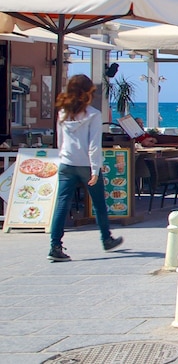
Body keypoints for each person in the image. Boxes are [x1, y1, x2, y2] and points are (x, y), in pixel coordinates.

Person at [48, 74, 123, 262]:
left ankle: (55, 245)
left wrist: (62, 158)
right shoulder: (93, 114)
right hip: (86, 165)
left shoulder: (63, 113)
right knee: (98, 203)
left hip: (67, 163)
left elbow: (60, 140)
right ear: (87, 92)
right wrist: (95, 170)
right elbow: (94, 145)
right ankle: (106, 238)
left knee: (62, 205)